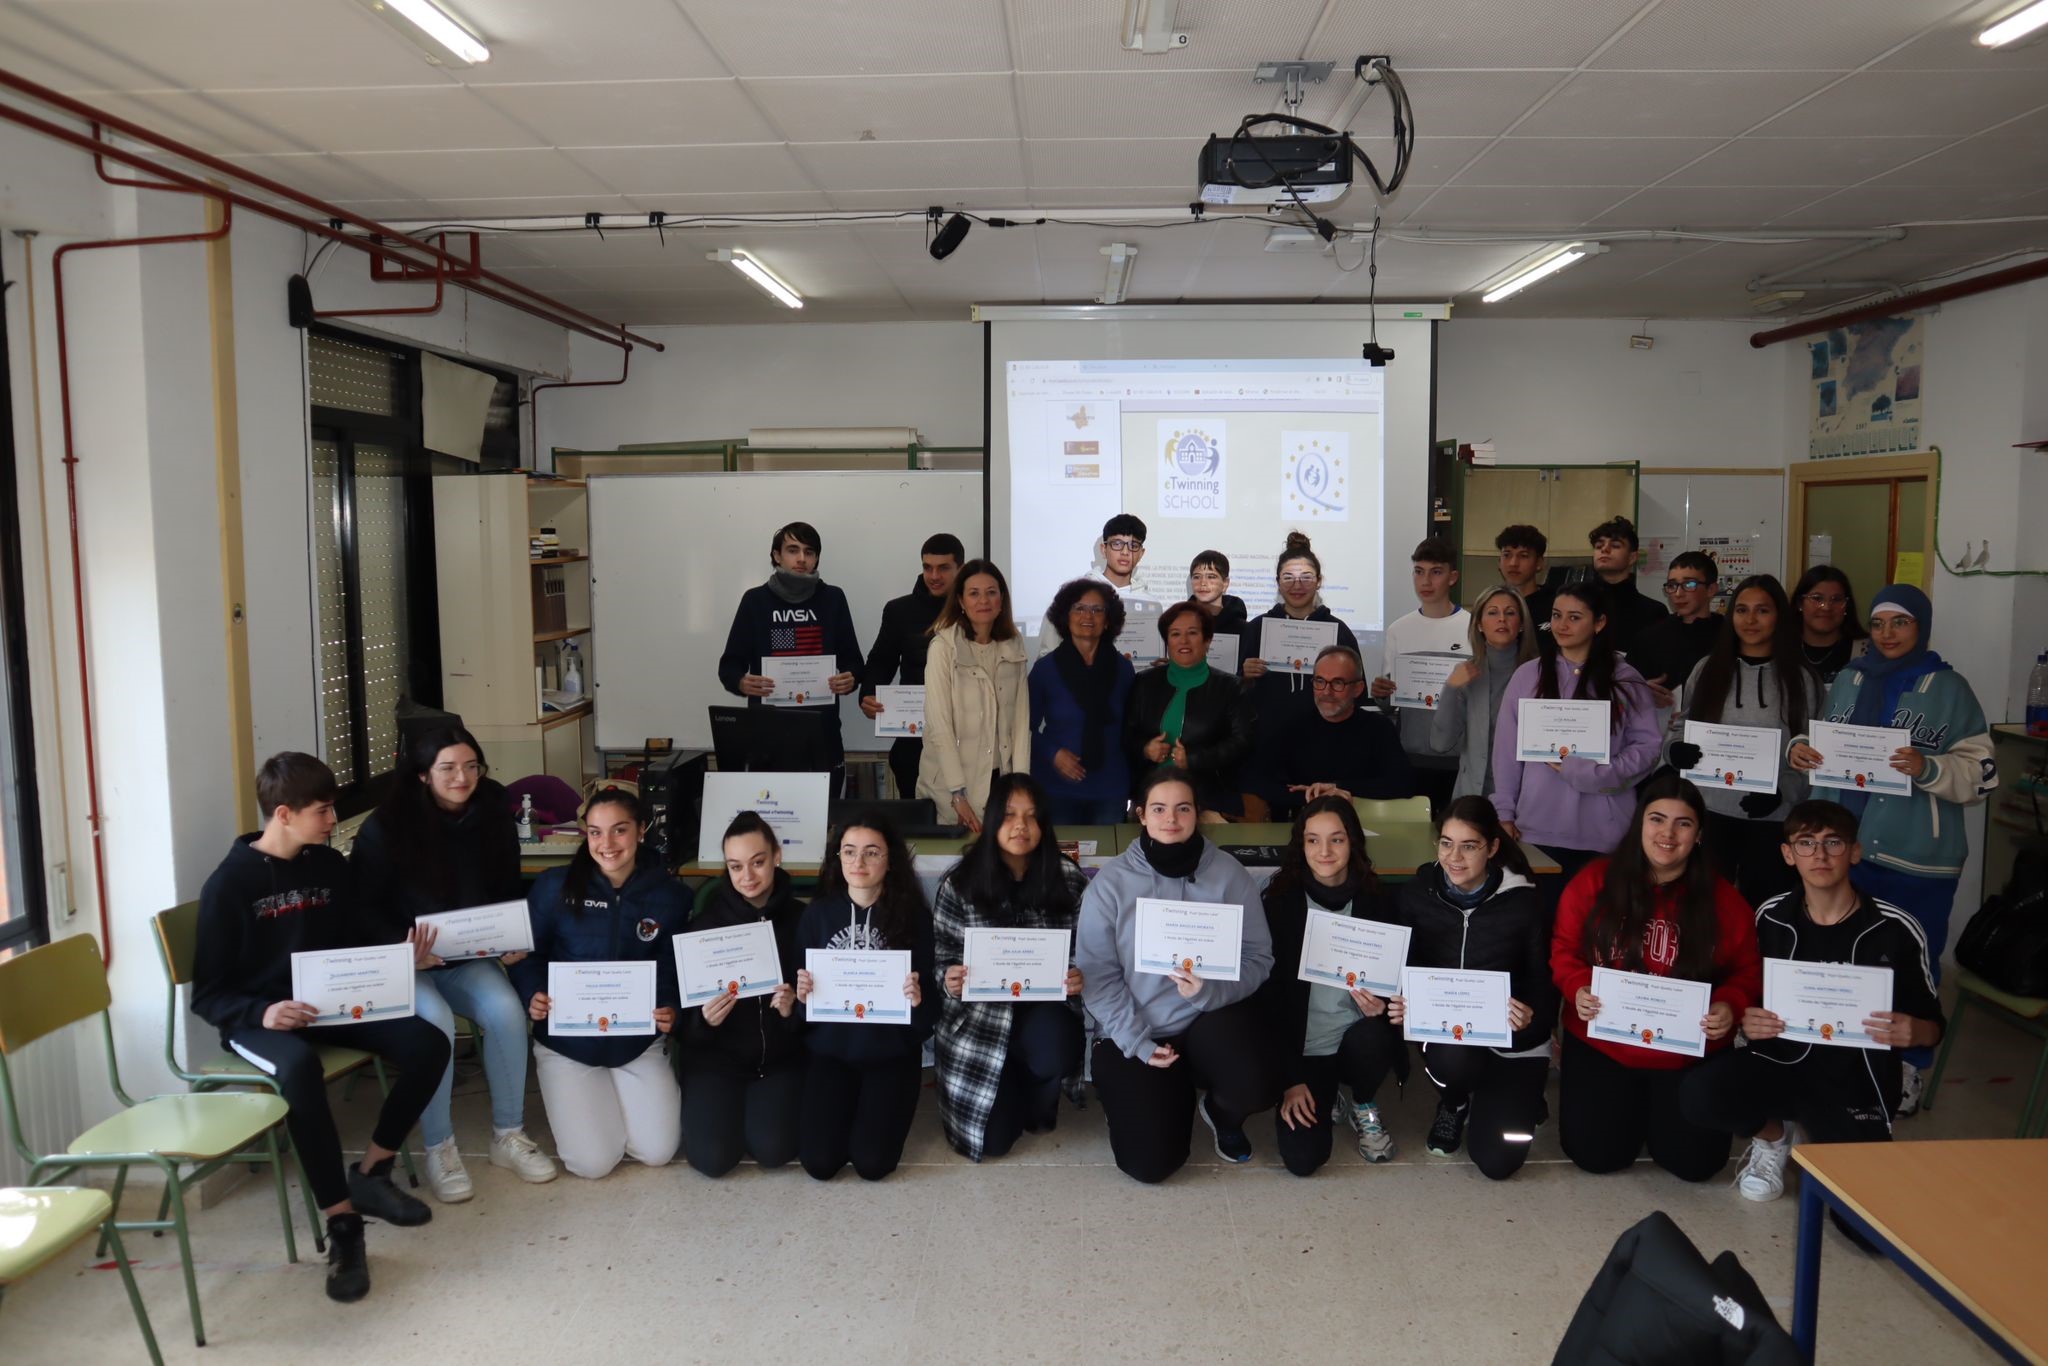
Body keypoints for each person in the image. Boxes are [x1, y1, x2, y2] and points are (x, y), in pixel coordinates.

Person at [192, 752, 449, 1303]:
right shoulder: (229, 884)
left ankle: (373, 1172)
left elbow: (354, 937)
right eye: (323, 811)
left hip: (328, 1005)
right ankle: (343, 1225)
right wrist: (263, 1013)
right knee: (300, 1069)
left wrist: (399, 955)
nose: (334, 820)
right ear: (284, 814)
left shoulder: (328, 865)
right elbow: (208, 994)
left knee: (429, 1042)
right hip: (257, 1018)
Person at [1789, 583, 1996, 1108]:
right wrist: (1801, 749)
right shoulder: (1851, 678)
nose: (1887, 634)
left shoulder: (1949, 687)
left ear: (1921, 627)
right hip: (1841, 851)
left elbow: (1982, 774)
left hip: (1916, 857)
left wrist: (1929, 767)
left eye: (1900, 622)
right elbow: (1822, 736)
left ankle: (1908, 1065)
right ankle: (1837, 1050)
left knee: (1912, 963)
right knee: (1837, 957)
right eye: (1879, 623)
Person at [1680, 800, 1943, 1203]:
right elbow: (1745, 989)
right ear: (1788, 854)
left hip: (1855, 1078)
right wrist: (1747, 1019)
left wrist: (1915, 1031)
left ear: (1855, 852)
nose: (1819, 855)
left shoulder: (1896, 928)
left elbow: (1933, 1026)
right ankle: (1774, 1137)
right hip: (1780, 1063)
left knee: (1857, 1222)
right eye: (1806, 843)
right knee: (1700, 1093)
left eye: (1833, 842)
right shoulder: (1769, 916)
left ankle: (1828, 1133)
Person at [347, 726, 558, 1203]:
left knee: (506, 1012)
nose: (462, 778)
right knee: (437, 1026)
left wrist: (510, 938)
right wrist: (403, 949)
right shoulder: (385, 826)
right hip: (407, 964)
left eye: (470, 766)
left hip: (465, 958)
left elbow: (504, 887)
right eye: (447, 768)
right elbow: (361, 909)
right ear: (423, 774)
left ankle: (508, 1135)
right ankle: (439, 1146)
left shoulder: (493, 811)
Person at [1551, 775, 1762, 1182]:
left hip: (1687, 1050)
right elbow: (1563, 949)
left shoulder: (1726, 901)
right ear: (1639, 824)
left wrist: (1730, 1005)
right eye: (1657, 819)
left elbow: (1747, 971)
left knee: (1695, 1165)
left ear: (1699, 835)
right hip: (1604, 1043)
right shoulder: (1594, 881)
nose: (1668, 833)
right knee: (1596, 1156)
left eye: (1683, 823)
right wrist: (1577, 986)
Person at [1078, 767, 1278, 1181]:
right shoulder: (1111, 883)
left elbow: (1259, 958)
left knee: (1258, 1083)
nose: (1171, 818)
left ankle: (1220, 1112)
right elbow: (1097, 976)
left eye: (1183, 808)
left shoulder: (1228, 874)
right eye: (1159, 808)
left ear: (1197, 813)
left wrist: (1210, 992)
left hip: (1210, 1019)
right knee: (1150, 1165)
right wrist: (1137, 1042)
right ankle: (1151, 1094)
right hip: (1137, 1029)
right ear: (1141, 815)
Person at [510, 788, 688, 1180]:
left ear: (641, 829)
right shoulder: (554, 887)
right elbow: (528, 956)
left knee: (658, 1151)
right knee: (592, 1163)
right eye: (595, 832)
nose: (606, 843)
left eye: (619, 830)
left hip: (636, 1040)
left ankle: (618, 1094)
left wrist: (670, 1007)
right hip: (567, 1042)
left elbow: (672, 965)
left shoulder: (671, 897)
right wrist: (533, 994)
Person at [1389, 796, 1555, 1180]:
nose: (1454, 857)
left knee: (1498, 1162)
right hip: (1453, 1040)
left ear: (1492, 847)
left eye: (1469, 846)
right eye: (1446, 843)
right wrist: (1399, 1002)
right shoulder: (1417, 895)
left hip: (1515, 1042)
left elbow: (1545, 984)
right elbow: (1401, 968)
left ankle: (1521, 1093)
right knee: (1454, 1061)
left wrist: (1530, 1016)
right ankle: (1455, 1100)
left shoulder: (1524, 901)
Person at [932, 775, 1091, 1161]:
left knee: (1054, 1046)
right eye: (1009, 815)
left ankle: (1036, 1089)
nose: (1021, 826)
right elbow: (940, 954)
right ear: (991, 821)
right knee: (992, 1143)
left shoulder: (1068, 879)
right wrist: (948, 978)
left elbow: (1087, 951)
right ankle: (1011, 1081)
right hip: (980, 1016)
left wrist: (1077, 974)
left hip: (1044, 1008)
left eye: (1032, 816)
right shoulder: (960, 882)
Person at [1257, 797, 1403, 1176]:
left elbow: (1400, 984)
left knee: (1374, 1034)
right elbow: (1268, 1004)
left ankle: (1363, 1101)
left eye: (1336, 839)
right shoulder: (1280, 904)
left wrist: (1384, 1007)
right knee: (1303, 1159)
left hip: (1356, 1040)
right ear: (1300, 844)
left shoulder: (1378, 901)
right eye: (1313, 840)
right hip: (1303, 1049)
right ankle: (1327, 1094)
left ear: (1352, 841)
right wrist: (1290, 1079)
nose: (1324, 851)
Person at [1490, 580, 1663, 888]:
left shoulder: (1626, 679)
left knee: (1594, 918)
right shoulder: (1527, 675)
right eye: (1557, 615)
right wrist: (1504, 813)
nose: (1562, 625)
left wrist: (1597, 773)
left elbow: (1647, 749)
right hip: (1536, 828)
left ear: (1599, 622)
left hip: (1603, 833)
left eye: (1574, 617)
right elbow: (1506, 752)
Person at [794, 811, 937, 1181]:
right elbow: (800, 1013)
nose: (859, 862)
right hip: (831, 1053)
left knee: (873, 1164)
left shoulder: (914, 918)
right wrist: (802, 998)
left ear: (890, 859)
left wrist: (918, 1000)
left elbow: (931, 1012)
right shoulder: (816, 916)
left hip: (891, 1053)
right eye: (849, 851)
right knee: (820, 1163)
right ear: (837, 857)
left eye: (872, 852)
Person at [1665, 575, 1821, 909]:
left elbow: (1813, 757)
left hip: (1773, 820)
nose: (1750, 620)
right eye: (1742, 610)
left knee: (1765, 913)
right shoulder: (1707, 669)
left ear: (1779, 616)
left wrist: (1783, 793)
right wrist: (1675, 750)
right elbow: (1680, 729)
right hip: (1709, 815)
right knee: (1704, 912)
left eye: (1762, 610)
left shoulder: (1801, 679)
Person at [675, 812, 805, 1178]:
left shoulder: (803, 920)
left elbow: (818, 1012)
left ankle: (758, 1113)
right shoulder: (703, 929)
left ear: (777, 856)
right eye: (735, 866)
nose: (747, 876)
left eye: (757, 862)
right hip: (715, 1064)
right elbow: (682, 1025)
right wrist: (704, 1020)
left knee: (774, 1150)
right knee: (712, 1160)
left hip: (780, 1061)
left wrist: (793, 1010)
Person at [717, 520, 865, 795]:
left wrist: (851, 678)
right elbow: (729, 666)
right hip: (767, 735)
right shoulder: (755, 601)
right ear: (777, 555)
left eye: (809, 552)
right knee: (772, 814)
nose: (801, 559)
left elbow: (854, 661)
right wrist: (741, 682)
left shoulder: (833, 598)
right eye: (793, 550)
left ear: (816, 558)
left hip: (822, 733)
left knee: (826, 814)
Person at [917, 558, 1032, 832]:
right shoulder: (943, 647)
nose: (983, 601)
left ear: (1002, 600)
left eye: (991, 592)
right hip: (950, 785)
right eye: (974, 593)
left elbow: (1020, 723)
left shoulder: (1013, 645)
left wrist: (1021, 787)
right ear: (960, 600)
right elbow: (940, 726)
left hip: (999, 780)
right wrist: (957, 794)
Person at [1123, 600, 1254, 818]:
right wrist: (1146, 749)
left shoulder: (1231, 687)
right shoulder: (1144, 682)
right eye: (1175, 634)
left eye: (1192, 633)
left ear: (1207, 640)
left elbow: (1242, 741)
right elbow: (1127, 734)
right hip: (1150, 797)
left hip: (1208, 800)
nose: (1183, 640)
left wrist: (1194, 759)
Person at [1369, 537, 1469, 812]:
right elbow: (1388, 705)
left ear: (1452, 577)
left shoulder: (1472, 627)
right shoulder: (1398, 629)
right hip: (1411, 757)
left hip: (1460, 758)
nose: (1426, 581)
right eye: (1418, 571)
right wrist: (1381, 694)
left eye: (1436, 572)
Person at [861, 533, 964, 799]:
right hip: (914, 742)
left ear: (960, 569)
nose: (934, 576)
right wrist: (868, 694)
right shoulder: (899, 611)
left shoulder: (976, 611)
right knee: (918, 819)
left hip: (966, 740)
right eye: (927, 567)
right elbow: (881, 661)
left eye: (943, 568)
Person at [1259, 645, 1413, 821]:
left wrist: (1338, 787)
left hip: (1362, 826)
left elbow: (1403, 784)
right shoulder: (1290, 726)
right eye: (1320, 681)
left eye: (1338, 683)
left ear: (1358, 688)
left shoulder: (1379, 728)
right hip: (1301, 824)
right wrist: (1311, 796)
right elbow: (1262, 780)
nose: (1327, 691)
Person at [1028, 578, 1135, 826]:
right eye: (1079, 608)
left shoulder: (1123, 669)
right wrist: (1053, 753)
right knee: (1061, 853)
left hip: (1111, 789)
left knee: (1108, 852)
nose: (1088, 616)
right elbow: (1022, 728)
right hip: (1058, 788)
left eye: (1097, 610)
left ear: (1108, 620)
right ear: (1066, 617)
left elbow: (1131, 729)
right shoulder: (1045, 670)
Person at [1241, 531, 1361, 739]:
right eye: (1288, 578)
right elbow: (1236, 695)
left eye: (1306, 577)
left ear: (1319, 581)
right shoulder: (1257, 629)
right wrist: (1244, 676)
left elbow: (1357, 693)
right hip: (1268, 741)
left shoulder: (1339, 631)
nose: (1297, 585)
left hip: (1325, 740)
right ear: (1278, 582)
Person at [1435, 585, 1539, 800]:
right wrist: (1451, 689)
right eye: (1492, 613)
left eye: (1510, 613)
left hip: (1525, 797)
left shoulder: (1540, 674)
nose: (1502, 619)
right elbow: (1440, 743)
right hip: (1474, 795)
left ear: (1521, 624)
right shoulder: (1466, 673)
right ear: (1479, 625)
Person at [1036, 513, 1159, 659]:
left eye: (1133, 545)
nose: (1125, 552)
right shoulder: (1074, 595)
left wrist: (1161, 665)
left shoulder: (1150, 603)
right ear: (1103, 549)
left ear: (1141, 553)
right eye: (1117, 544)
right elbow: (1047, 653)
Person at [1627, 552, 1723, 711]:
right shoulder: (1649, 638)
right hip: (1661, 724)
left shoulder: (1729, 635)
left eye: (1689, 585)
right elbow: (1625, 688)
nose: (1678, 594)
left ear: (1711, 589)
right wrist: (1641, 691)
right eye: (1672, 585)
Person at [1586, 516, 1666, 656]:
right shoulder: (1578, 602)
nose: (1605, 549)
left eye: (1615, 546)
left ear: (1632, 557)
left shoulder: (1653, 612)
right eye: (1599, 546)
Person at [1790, 565, 1867, 686]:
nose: (1826, 607)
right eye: (1817, 598)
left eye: (1836, 599)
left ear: (1847, 606)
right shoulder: (1781, 649)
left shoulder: (1866, 651)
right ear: (1800, 603)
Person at [1496, 524, 1554, 628]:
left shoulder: (1555, 604)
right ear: (1499, 562)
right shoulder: (1490, 604)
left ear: (1539, 562)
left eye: (1523, 556)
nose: (1513, 563)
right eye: (1507, 555)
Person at [1188, 549, 1248, 640]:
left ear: (1225, 583)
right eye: (1197, 577)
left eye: (1211, 577)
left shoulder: (1244, 629)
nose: (1203, 583)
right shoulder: (1179, 623)